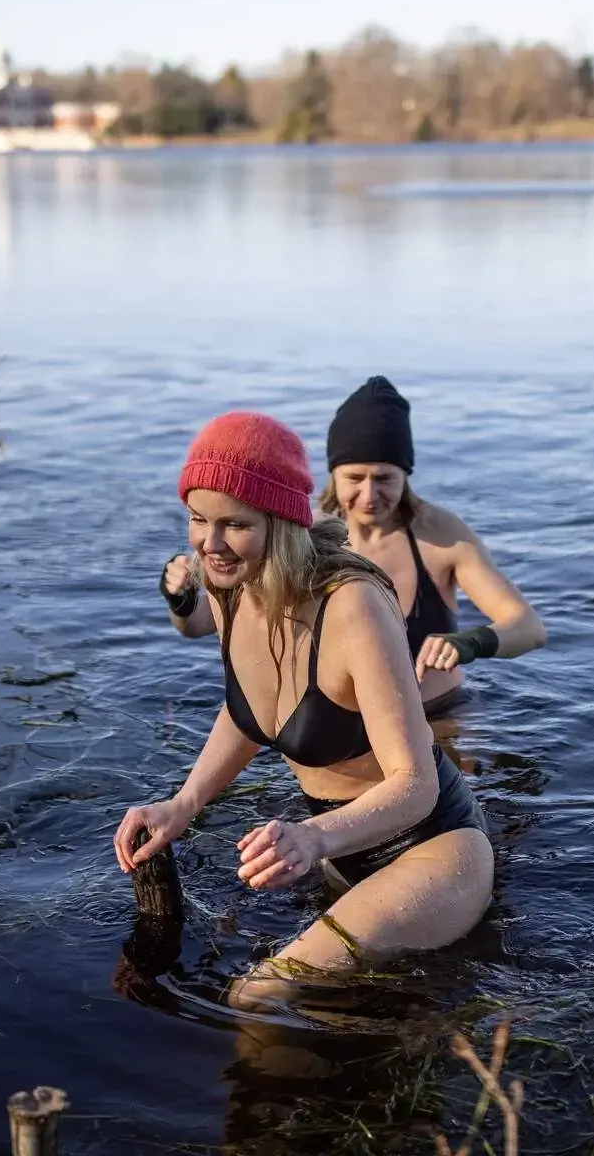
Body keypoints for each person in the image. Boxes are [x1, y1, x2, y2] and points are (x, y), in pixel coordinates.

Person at [116, 411, 494, 1005]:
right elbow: (249, 710)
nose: (209, 544)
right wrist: (183, 803)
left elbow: (415, 784)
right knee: (344, 1019)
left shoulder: (353, 605)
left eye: (234, 524)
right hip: (342, 852)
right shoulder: (228, 583)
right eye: (197, 519)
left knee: (256, 995)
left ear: (280, 521)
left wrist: (312, 838)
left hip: (432, 849)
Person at [159, 377, 545, 713]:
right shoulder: (299, 536)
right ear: (333, 473)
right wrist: (181, 597)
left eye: (385, 479)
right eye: (355, 478)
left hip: (439, 717)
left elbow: (528, 627)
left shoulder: (441, 535)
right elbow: (201, 625)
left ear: (406, 476)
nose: (369, 495)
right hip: (337, 733)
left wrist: (469, 642)